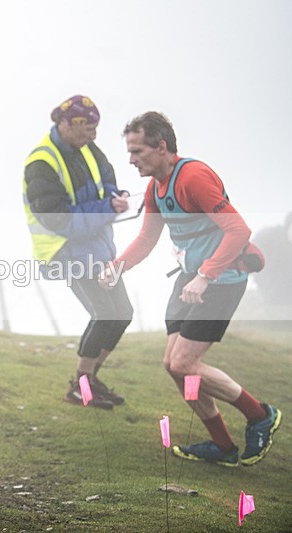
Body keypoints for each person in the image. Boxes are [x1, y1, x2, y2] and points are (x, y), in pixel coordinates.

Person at [100, 111, 282, 466]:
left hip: (221, 280)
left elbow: (239, 231)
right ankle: (223, 446)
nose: (131, 159)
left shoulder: (193, 177)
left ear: (161, 146)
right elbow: (147, 238)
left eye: (137, 151)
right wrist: (117, 267)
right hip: (189, 279)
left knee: (185, 363)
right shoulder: (156, 187)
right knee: (173, 365)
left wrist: (206, 275)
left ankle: (259, 415)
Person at [23, 95, 134, 409]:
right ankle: (80, 387)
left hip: (95, 246)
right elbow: (58, 219)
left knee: (122, 313)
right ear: (67, 124)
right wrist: (107, 207)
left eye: (96, 129)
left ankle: (90, 381)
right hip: (64, 251)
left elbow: (107, 179)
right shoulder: (41, 162)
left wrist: (117, 196)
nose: (94, 136)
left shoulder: (87, 148)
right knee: (105, 313)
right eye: (89, 129)